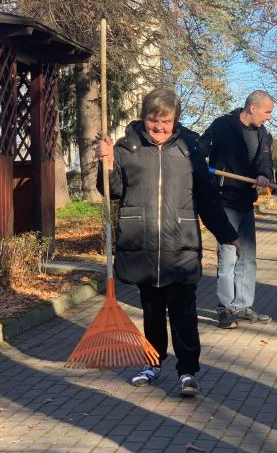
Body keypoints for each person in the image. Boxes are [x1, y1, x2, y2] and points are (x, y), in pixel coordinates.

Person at [96, 88, 239, 395]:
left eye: (166, 121)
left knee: (184, 313)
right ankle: (152, 362)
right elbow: (112, 191)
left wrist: (226, 234)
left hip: (181, 243)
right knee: (151, 310)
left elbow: (206, 197)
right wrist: (107, 165)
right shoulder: (126, 149)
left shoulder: (190, 151)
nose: (159, 127)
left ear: (175, 120)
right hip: (142, 243)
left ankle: (187, 370)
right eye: (153, 120)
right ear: (143, 117)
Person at [199, 90, 275, 329]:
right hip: (224, 202)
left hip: (245, 202)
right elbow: (198, 150)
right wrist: (198, 171)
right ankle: (225, 308)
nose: (269, 117)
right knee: (229, 257)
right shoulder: (222, 126)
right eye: (267, 111)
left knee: (248, 258)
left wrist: (263, 175)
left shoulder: (263, 134)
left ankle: (242, 306)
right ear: (252, 107)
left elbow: (265, 162)